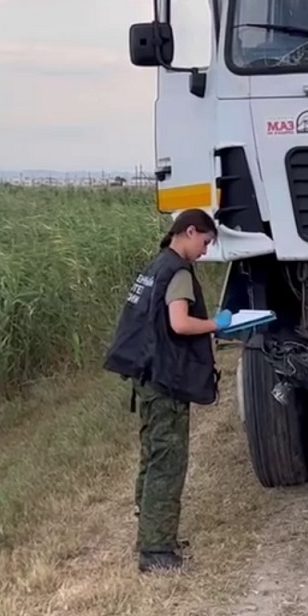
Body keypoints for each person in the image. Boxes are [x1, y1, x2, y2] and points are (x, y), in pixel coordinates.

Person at [103, 208, 233, 573]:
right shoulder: (178, 271)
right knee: (168, 461)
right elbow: (179, 323)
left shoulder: (155, 265)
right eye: (205, 242)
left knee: (152, 455)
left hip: (146, 374)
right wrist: (215, 324)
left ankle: (151, 534)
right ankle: (157, 551)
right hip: (165, 379)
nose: (205, 251)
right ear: (189, 232)